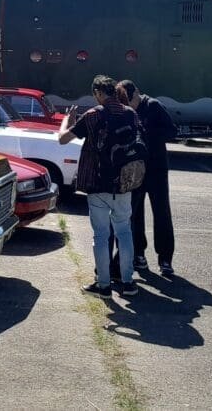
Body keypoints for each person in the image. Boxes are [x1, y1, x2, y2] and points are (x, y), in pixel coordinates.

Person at [58, 75, 141, 298]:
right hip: (124, 182)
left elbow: (63, 139)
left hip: (97, 183)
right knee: (124, 232)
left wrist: (66, 121)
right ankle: (128, 282)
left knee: (101, 235)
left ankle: (103, 285)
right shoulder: (130, 114)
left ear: (98, 93)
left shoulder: (93, 115)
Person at [117, 79, 178, 277]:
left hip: (157, 168)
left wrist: (147, 132)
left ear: (137, 93)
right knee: (134, 212)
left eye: (130, 101)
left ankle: (165, 258)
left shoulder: (153, 106)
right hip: (136, 168)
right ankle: (138, 253)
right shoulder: (126, 111)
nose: (129, 106)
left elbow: (172, 131)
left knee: (161, 211)